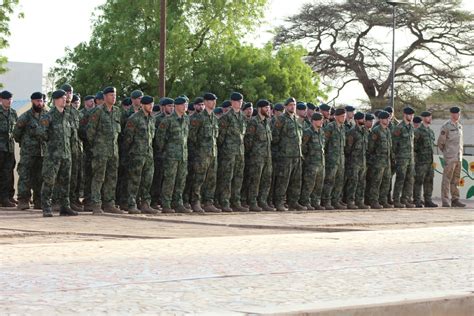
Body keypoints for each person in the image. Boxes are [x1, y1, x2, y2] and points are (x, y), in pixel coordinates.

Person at [37, 90, 77, 217]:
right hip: (53, 155)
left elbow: (71, 135)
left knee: (66, 182)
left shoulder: (68, 116)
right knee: (49, 181)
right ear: (55, 100)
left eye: (65, 98)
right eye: (61, 98)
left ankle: (65, 206)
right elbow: (40, 133)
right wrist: (52, 142)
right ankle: (46, 207)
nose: (64, 100)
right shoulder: (48, 116)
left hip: (66, 154)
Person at [86, 86, 123, 214]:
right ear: (105, 97)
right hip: (100, 151)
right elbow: (90, 132)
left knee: (112, 178)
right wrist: (96, 147)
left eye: (115, 95)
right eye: (111, 95)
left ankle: (109, 204)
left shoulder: (117, 111)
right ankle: (96, 204)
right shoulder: (98, 111)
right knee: (98, 178)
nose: (114, 97)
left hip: (113, 151)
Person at [122, 95, 158, 214]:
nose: (151, 106)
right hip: (136, 154)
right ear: (142, 105)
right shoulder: (134, 119)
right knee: (134, 181)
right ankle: (132, 204)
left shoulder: (152, 119)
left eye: (152, 104)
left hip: (148, 154)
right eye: (148, 104)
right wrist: (129, 153)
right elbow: (128, 139)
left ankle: (145, 204)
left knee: (148, 180)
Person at [155, 97, 190, 213]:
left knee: (181, 180)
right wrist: (165, 152)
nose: (185, 107)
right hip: (171, 156)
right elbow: (160, 139)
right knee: (169, 180)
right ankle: (166, 204)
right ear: (177, 106)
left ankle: (178, 203)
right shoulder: (168, 120)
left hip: (183, 155)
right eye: (183, 105)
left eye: (186, 105)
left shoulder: (186, 119)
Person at [13, 92, 46, 210]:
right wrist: (25, 143)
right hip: (28, 152)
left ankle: (39, 201)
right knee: (25, 176)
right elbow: (16, 134)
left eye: (41, 101)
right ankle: (23, 200)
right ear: (32, 101)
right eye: (37, 101)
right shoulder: (25, 117)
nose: (39, 103)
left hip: (42, 152)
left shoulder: (47, 116)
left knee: (40, 177)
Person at [188, 93, 221, 213]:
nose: (214, 103)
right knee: (199, 179)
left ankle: (208, 202)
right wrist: (198, 151)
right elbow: (192, 137)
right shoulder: (198, 118)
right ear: (206, 102)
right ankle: (195, 202)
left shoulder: (214, 118)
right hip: (201, 154)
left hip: (213, 153)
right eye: (212, 101)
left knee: (211, 179)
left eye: (215, 100)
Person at [216, 92, 248, 212]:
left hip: (240, 152)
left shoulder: (243, 118)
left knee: (238, 177)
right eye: (238, 101)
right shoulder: (226, 118)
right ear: (232, 102)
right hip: (228, 153)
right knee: (227, 178)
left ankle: (236, 201)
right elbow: (221, 137)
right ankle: (225, 202)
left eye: (241, 102)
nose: (240, 103)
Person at [272, 97, 305, 211]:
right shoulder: (281, 119)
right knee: (283, 180)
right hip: (285, 156)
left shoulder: (297, 120)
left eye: (294, 104)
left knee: (296, 181)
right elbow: (275, 137)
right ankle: (279, 202)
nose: (292, 107)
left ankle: (293, 202)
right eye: (290, 105)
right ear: (285, 106)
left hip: (297, 155)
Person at [243, 99, 275, 212]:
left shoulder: (267, 122)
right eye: (266, 107)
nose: (268, 109)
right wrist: (253, 154)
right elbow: (248, 140)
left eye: (269, 108)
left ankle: (263, 201)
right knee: (255, 180)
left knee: (266, 180)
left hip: (267, 156)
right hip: (256, 157)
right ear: (260, 109)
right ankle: (252, 202)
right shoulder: (253, 122)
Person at [437, 106, 466, 207]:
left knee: (456, 179)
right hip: (450, 157)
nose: (456, 115)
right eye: (454, 113)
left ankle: (455, 199)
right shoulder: (446, 126)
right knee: (447, 179)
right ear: (451, 114)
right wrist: (447, 153)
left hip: (459, 157)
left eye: (458, 113)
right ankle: (445, 200)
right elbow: (440, 142)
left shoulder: (460, 126)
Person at [150, 97, 174, 209]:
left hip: (171, 154)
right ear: (163, 107)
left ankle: (162, 199)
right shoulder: (157, 119)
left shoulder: (174, 119)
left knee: (167, 178)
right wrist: (161, 150)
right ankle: (154, 201)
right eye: (169, 106)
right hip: (159, 154)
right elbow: (157, 138)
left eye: (172, 106)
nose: (171, 108)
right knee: (157, 178)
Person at [299, 112, 326, 210]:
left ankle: (316, 202)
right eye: (320, 120)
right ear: (314, 121)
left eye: (322, 119)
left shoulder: (321, 132)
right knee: (309, 184)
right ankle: (305, 201)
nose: (321, 121)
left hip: (320, 162)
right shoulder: (307, 132)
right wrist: (307, 159)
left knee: (319, 184)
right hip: (311, 163)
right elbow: (303, 147)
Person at [367, 110, 392, 209]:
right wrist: (374, 159)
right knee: (376, 182)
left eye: (389, 118)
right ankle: (374, 201)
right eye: (386, 118)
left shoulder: (387, 130)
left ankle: (383, 200)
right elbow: (371, 147)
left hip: (387, 161)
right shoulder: (376, 130)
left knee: (386, 182)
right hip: (378, 161)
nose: (388, 120)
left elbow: (390, 146)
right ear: (381, 119)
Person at [322, 108, 346, 210]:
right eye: (342, 116)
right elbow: (324, 143)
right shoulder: (330, 127)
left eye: (344, 116)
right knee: (329, 181)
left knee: (339, 181)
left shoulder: (342, 128)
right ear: (336, 116)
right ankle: (326, 201)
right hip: (331, 159)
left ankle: (335, 201)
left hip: (340, 159)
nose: (343, 118)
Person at [344, 111, 369, 209]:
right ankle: (350, 201)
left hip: (362, 161)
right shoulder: (352, 132)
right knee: (353, 182)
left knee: (361, 183)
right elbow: (348, 149)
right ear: (357, 120)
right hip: (354, 162)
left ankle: (360, 201)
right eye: (362, 119)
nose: (364, 120)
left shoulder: (364, 131)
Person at [392, 106, 416, 208]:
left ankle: (405, 199)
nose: (411, 116)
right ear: (404, 115)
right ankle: (396, 200)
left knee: (409, 179)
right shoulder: (399, 127)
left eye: (412, 115)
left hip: (410, 158)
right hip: (401, 158)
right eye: (409, 114)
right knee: (400, 179)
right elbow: (394, 145)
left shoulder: (411, 127)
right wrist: (396, 157)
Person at [413, 111, 438, 208]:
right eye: (428, 117)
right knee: (418, 181)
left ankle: (428, 200)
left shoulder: (431, 132)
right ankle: (417, 200)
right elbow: (413, 147)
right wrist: (416, 160)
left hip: (429, 162)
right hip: (420, 162)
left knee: (429, 181)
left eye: (430, 117)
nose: (430, 118)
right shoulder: (418, 131)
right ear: (423, 118)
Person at [78, 95, 96, 210]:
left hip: (96, 149)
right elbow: (82, 131)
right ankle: (87, 200)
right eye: (90, 101)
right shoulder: (83, 114)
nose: (92, 103)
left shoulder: (95, 112)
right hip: (86, 148)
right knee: (86, 175)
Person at [0, 90, 17, 207]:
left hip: (9, 148)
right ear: (1, 100)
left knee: (8, 173)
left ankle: (7, 197)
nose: (9, 101)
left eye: (10, 99)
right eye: (7, 99)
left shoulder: (13, 113)